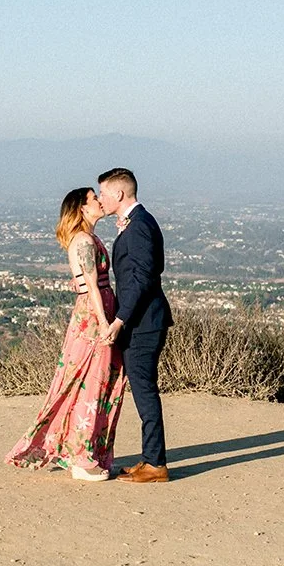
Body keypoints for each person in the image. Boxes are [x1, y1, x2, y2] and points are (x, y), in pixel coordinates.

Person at [5, 187, 126, 481]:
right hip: (94, 317)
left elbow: (86, 282)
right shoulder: (84, 240)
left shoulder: (88, 239)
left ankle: (82, 451)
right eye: (94, 199)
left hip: (95, 312)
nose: (100, 201)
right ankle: (81, 458)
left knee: (91, 382)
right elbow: (92, 286)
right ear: (82, 208)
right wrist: (104, 321)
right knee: (89, 384)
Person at [97, 167, 174, 483]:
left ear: (118, 193)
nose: (101, 198)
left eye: (103, 193)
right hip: (143, 320)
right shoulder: (138, 223)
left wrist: (119, 320)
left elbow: (142, 279)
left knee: (144, 391)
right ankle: (150, 459)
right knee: (143, 389)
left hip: (143, 322)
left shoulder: (139, 225)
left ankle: (156, 464)